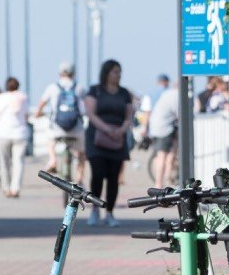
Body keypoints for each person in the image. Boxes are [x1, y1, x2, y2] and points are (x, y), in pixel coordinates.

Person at [83, 59, 135, 226]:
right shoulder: (95, 90)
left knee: (113, 177)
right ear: (106, 73)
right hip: (97, 138)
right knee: (97, 174)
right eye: (115, 72)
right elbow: (90, 113)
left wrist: (121, 130)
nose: (118, 75)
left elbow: (129, 116)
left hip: (117, 140)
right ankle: (94, 209)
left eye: (119, 72)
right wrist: (106, 128)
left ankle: (110, 212)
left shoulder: (124, 93)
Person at [34, 63, 85, 183]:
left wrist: (38, 114)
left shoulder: (52, 87)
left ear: (60, 73)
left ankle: (52, 160)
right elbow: (87, 105)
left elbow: (41, 104)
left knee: (50, 140)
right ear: (73, 73)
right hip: (76, 129)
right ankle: (80, 179)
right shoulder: (79, 87)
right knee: (82, 152)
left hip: (57, 128)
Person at [0, 77, 30, 198]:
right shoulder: (23, 97)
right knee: (18, 162)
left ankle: (6, 188)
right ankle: (16, 189)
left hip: (3, 133)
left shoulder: (0, 97)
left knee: (4, 162)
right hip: (20, 133)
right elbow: (26, 116)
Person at [147, 78, 180, 190]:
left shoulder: (168, 93)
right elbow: (179, 113)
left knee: (161, 155)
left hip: (156, 127)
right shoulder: (176, 95)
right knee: (163, 156)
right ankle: (159, 183)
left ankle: (165, 179)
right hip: (164, 128)